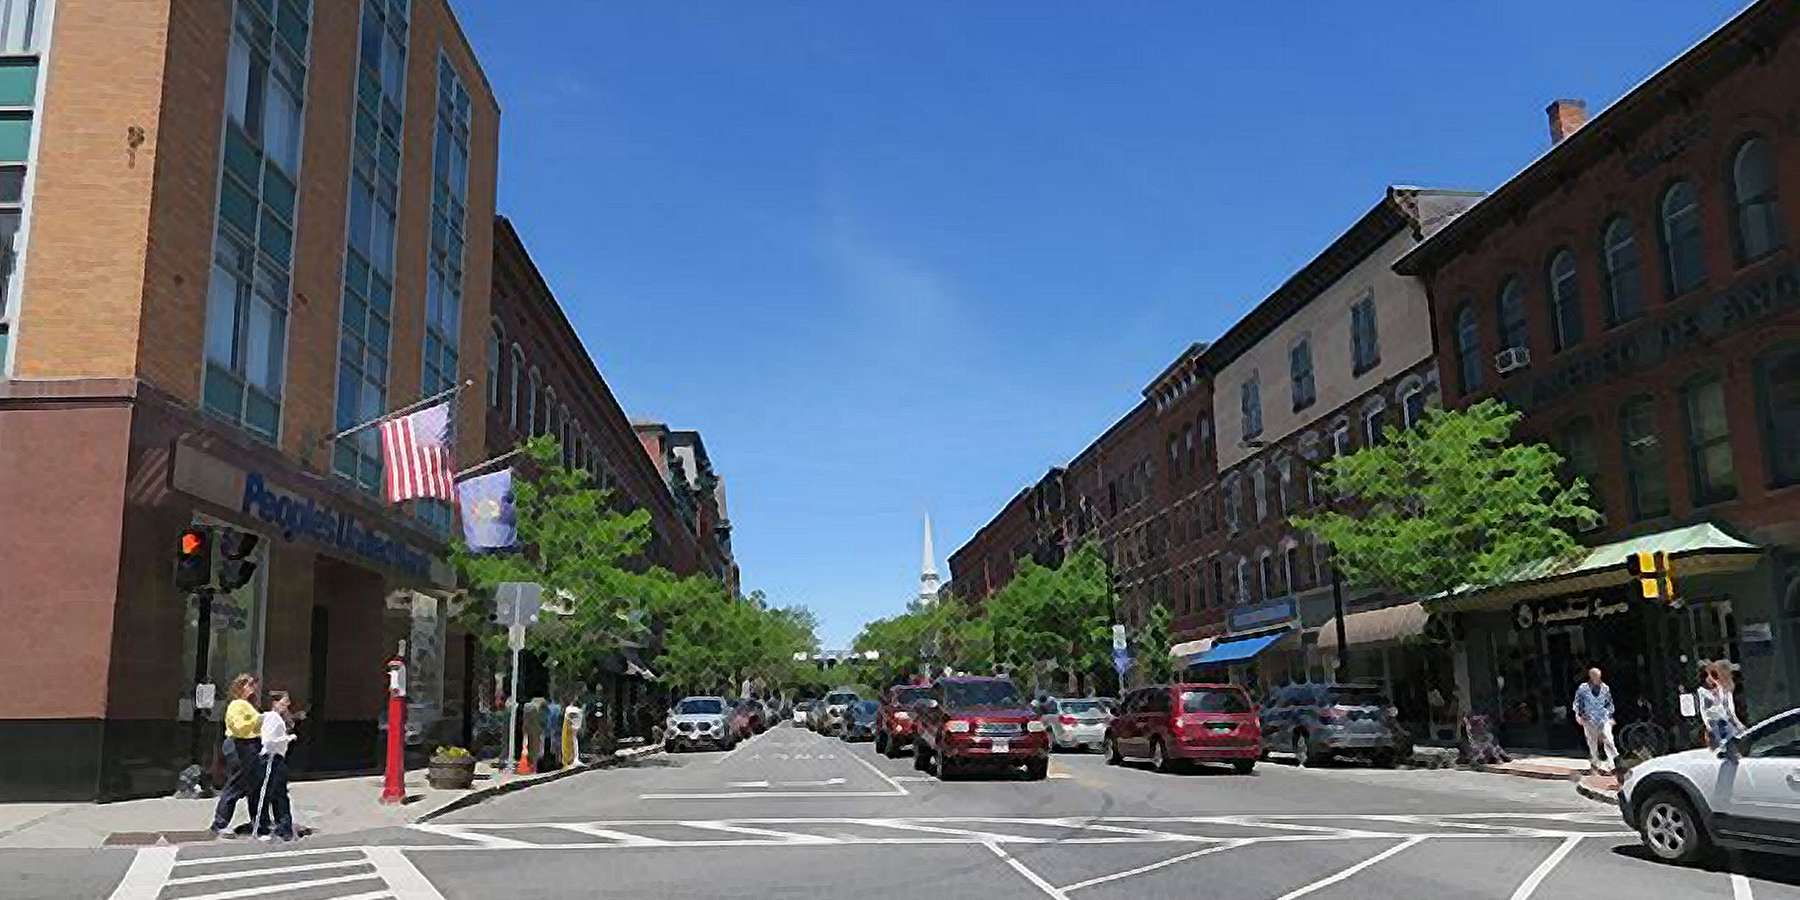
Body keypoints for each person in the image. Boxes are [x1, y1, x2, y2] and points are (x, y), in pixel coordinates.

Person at [210, 673, 262, 837]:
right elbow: (239, 727)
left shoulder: (248, 705)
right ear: (241, 687)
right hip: (239, 745)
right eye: (250, 684)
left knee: (253, 785)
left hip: (250, 745)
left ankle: (258, 821)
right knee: (237, 783)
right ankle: (220, 823)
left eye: (254, 684)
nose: (254, 687)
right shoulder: (237, 705)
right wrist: (259, 720)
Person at [253, 690, 298, 841]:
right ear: (275, 703)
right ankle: (267, 827)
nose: (287, 705)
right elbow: (268, 741)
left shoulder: (273, 717)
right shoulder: (273, 718)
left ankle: (282, 827)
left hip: (275, 758)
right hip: (272, 758)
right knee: (273, 794)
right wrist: (287, 738)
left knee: (277, 794)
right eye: (284, 702)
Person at [1572, 667, 1617, 775]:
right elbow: (1577, 703)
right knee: (1592, 743)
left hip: (1603, 718)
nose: (1597, 678)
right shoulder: (1583, 688)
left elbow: (1609, 703)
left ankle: (1613, 765)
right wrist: (1579, 715)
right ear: (1590, 676)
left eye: (1598, 676)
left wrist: (1610, 716)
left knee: (1609, 740)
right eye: (1595, 676)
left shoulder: (1605, 688)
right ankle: (1596, 764)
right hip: (1589, 719)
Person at [1698, 660, 1747, 748]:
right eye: (1729, 674)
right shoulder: (1706, 696)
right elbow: (1715, 720)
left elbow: (1730, 713)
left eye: (1731, 675)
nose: (1731, 677)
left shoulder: (1726, 692)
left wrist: (1740, 728)